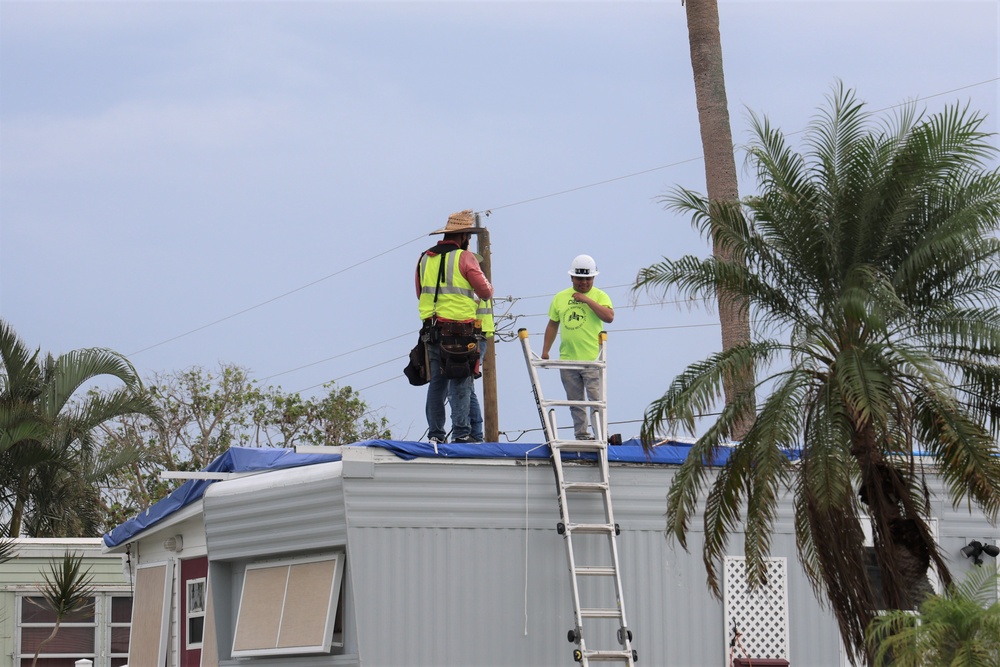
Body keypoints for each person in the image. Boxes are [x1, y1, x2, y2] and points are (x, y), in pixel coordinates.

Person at [416, 210, 493, 445]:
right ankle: (462, 434)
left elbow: (420, 294)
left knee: (437, 383)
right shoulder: (465, 258)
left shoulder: (424, 258)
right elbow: (486, 292)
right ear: (464, 236)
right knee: (460, 381)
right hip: (460, 331)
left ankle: (435, 435)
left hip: (432, 329)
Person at [540, 254, 614, 441]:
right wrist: (545, 350)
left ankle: (600, 435)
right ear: (572, 277)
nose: (584, 282)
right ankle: (582, 435)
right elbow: (552, 324)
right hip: (568, 359)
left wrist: (586, 300)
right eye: (580, 278)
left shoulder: (600, 295)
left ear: (594, 278)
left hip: (592, 359)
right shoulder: (560, 298)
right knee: (575, 401)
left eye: (588, 278)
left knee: (596, 400)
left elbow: (609, 317)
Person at [468, 297, 494, 443]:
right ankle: (473, 433)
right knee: (465, 387)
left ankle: (474, 433)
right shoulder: (475, 278)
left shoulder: (472, 277)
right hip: (474, 333)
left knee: (465, 388)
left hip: (474, 334)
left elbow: (475, 301)